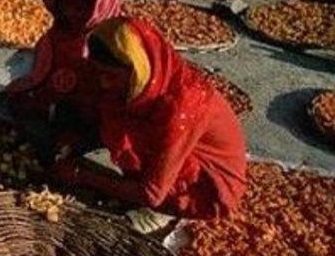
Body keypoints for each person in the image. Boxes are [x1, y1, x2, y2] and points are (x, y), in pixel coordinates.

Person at [53, 17, 248, 220]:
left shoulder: (181, 110)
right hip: (173, 153)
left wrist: (84, 177)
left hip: (206, 189)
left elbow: (152, 194)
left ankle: (155, 210)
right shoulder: (152, 78)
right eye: (100, 72)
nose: (104, 83)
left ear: (139, 70)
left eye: (111, 76)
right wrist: (71, 140)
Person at [4, 0, 120, 123]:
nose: (70, 13)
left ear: (100, 4)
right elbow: (43, 74)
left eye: (79, 7)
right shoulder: (58, 33)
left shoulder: (112, 46)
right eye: (65, 3)